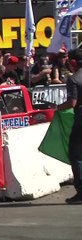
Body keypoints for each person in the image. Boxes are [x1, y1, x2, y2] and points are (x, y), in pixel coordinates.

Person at [55, 48, 82, 204]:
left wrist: (57, 107)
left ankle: (81, 191)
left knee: (76, 156)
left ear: (72, 62)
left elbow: (71, 103)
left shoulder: (74, 79)